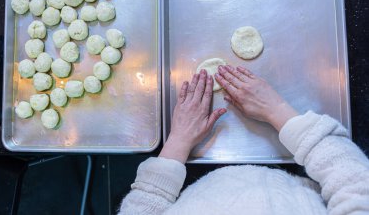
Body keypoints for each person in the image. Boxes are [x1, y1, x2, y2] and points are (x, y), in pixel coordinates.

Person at [118, 65, 369, 215]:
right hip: (299, 176)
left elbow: (141, 209)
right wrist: (278, 110)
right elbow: (356, 183)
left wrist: (178, 142)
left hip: (188, 181)